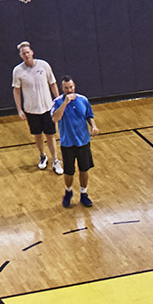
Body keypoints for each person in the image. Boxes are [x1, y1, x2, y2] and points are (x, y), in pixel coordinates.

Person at [11, 41, 60, 172]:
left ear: (32, 52)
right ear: (21, 56)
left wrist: (58, 101)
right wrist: (19, 109)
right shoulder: (18, 71)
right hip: (31, 110)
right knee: (37, 135)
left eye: (28, 52)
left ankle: (55, 160)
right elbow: (16, 90)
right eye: (23, 53)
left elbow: (52, 83)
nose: (26, 55)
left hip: (47, 108)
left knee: (50, 135)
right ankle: (42, 156)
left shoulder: (44, 65)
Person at [53, 77, 97, 208]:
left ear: (74, 86)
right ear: (62, 88)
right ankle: (68, 192)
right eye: (66, 88)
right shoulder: (57, 102)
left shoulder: (83, 100)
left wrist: (93, 126)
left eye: (71, 87)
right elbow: (55, 118)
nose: (69, 90)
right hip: (67, 143)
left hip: (83, 141)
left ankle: (84, 194)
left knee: (84, 170)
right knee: (69, 172)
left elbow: (89, 115)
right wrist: (65, 103)